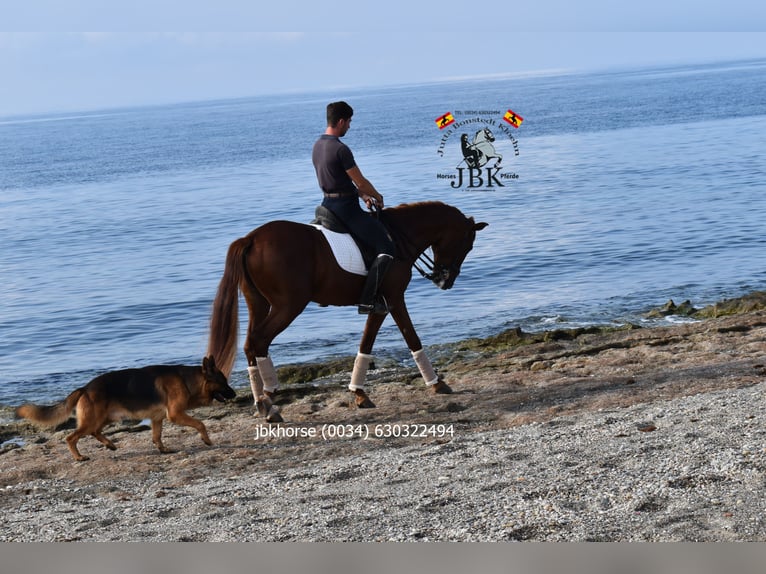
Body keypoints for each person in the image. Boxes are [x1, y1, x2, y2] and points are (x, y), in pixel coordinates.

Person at [312, 101, 396, 315]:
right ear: (341, 121)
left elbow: (338, 181)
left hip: (326, 205)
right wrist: (376, 195)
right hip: (345, 210)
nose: (349, 126)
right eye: (349, 122)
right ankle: (367, 301)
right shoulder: (341, 149)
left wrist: (363, 195)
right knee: (387, 247)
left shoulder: (318, 145)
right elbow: (361, 181)